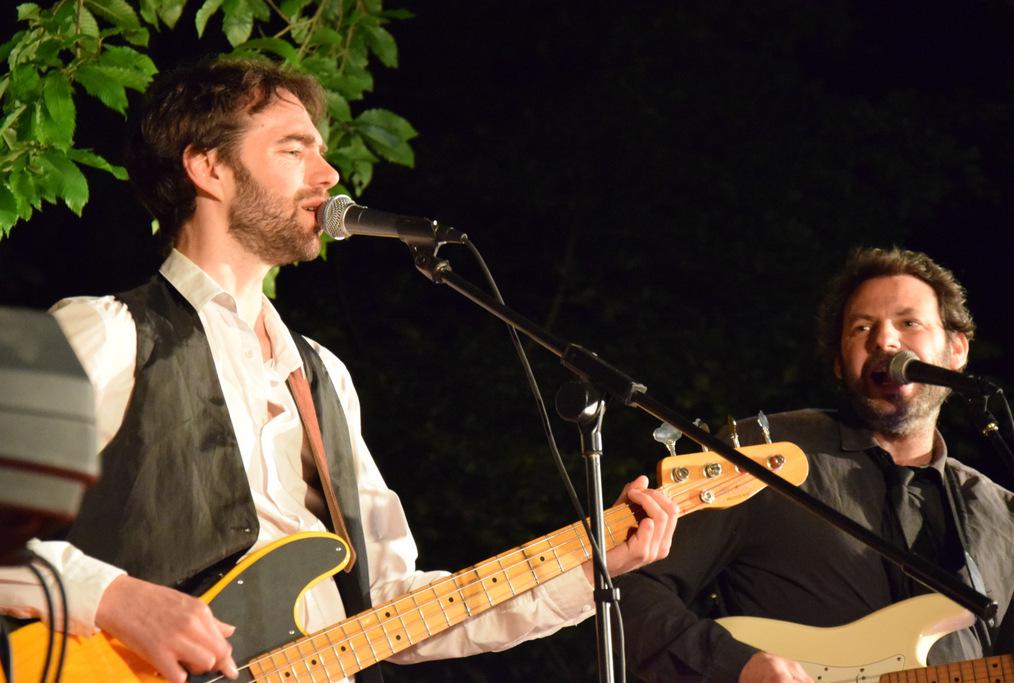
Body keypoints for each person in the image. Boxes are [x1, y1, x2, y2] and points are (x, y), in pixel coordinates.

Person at [0, 58, 678, 683]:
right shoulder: (110, 330)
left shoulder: (321, 374)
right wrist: (118, 598)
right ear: (208, 168)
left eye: (322, 151)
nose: (327, 175)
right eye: (294, 150)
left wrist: (588, 567)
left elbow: (391, 605)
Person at [617, 247, 1014, 682]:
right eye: (862, 327)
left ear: (957, 349)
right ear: (838, 362)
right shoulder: (763, 454)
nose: (884, 341)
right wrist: (737, 665)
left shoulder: (1006, 516)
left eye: (909, 323)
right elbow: (628, 587)